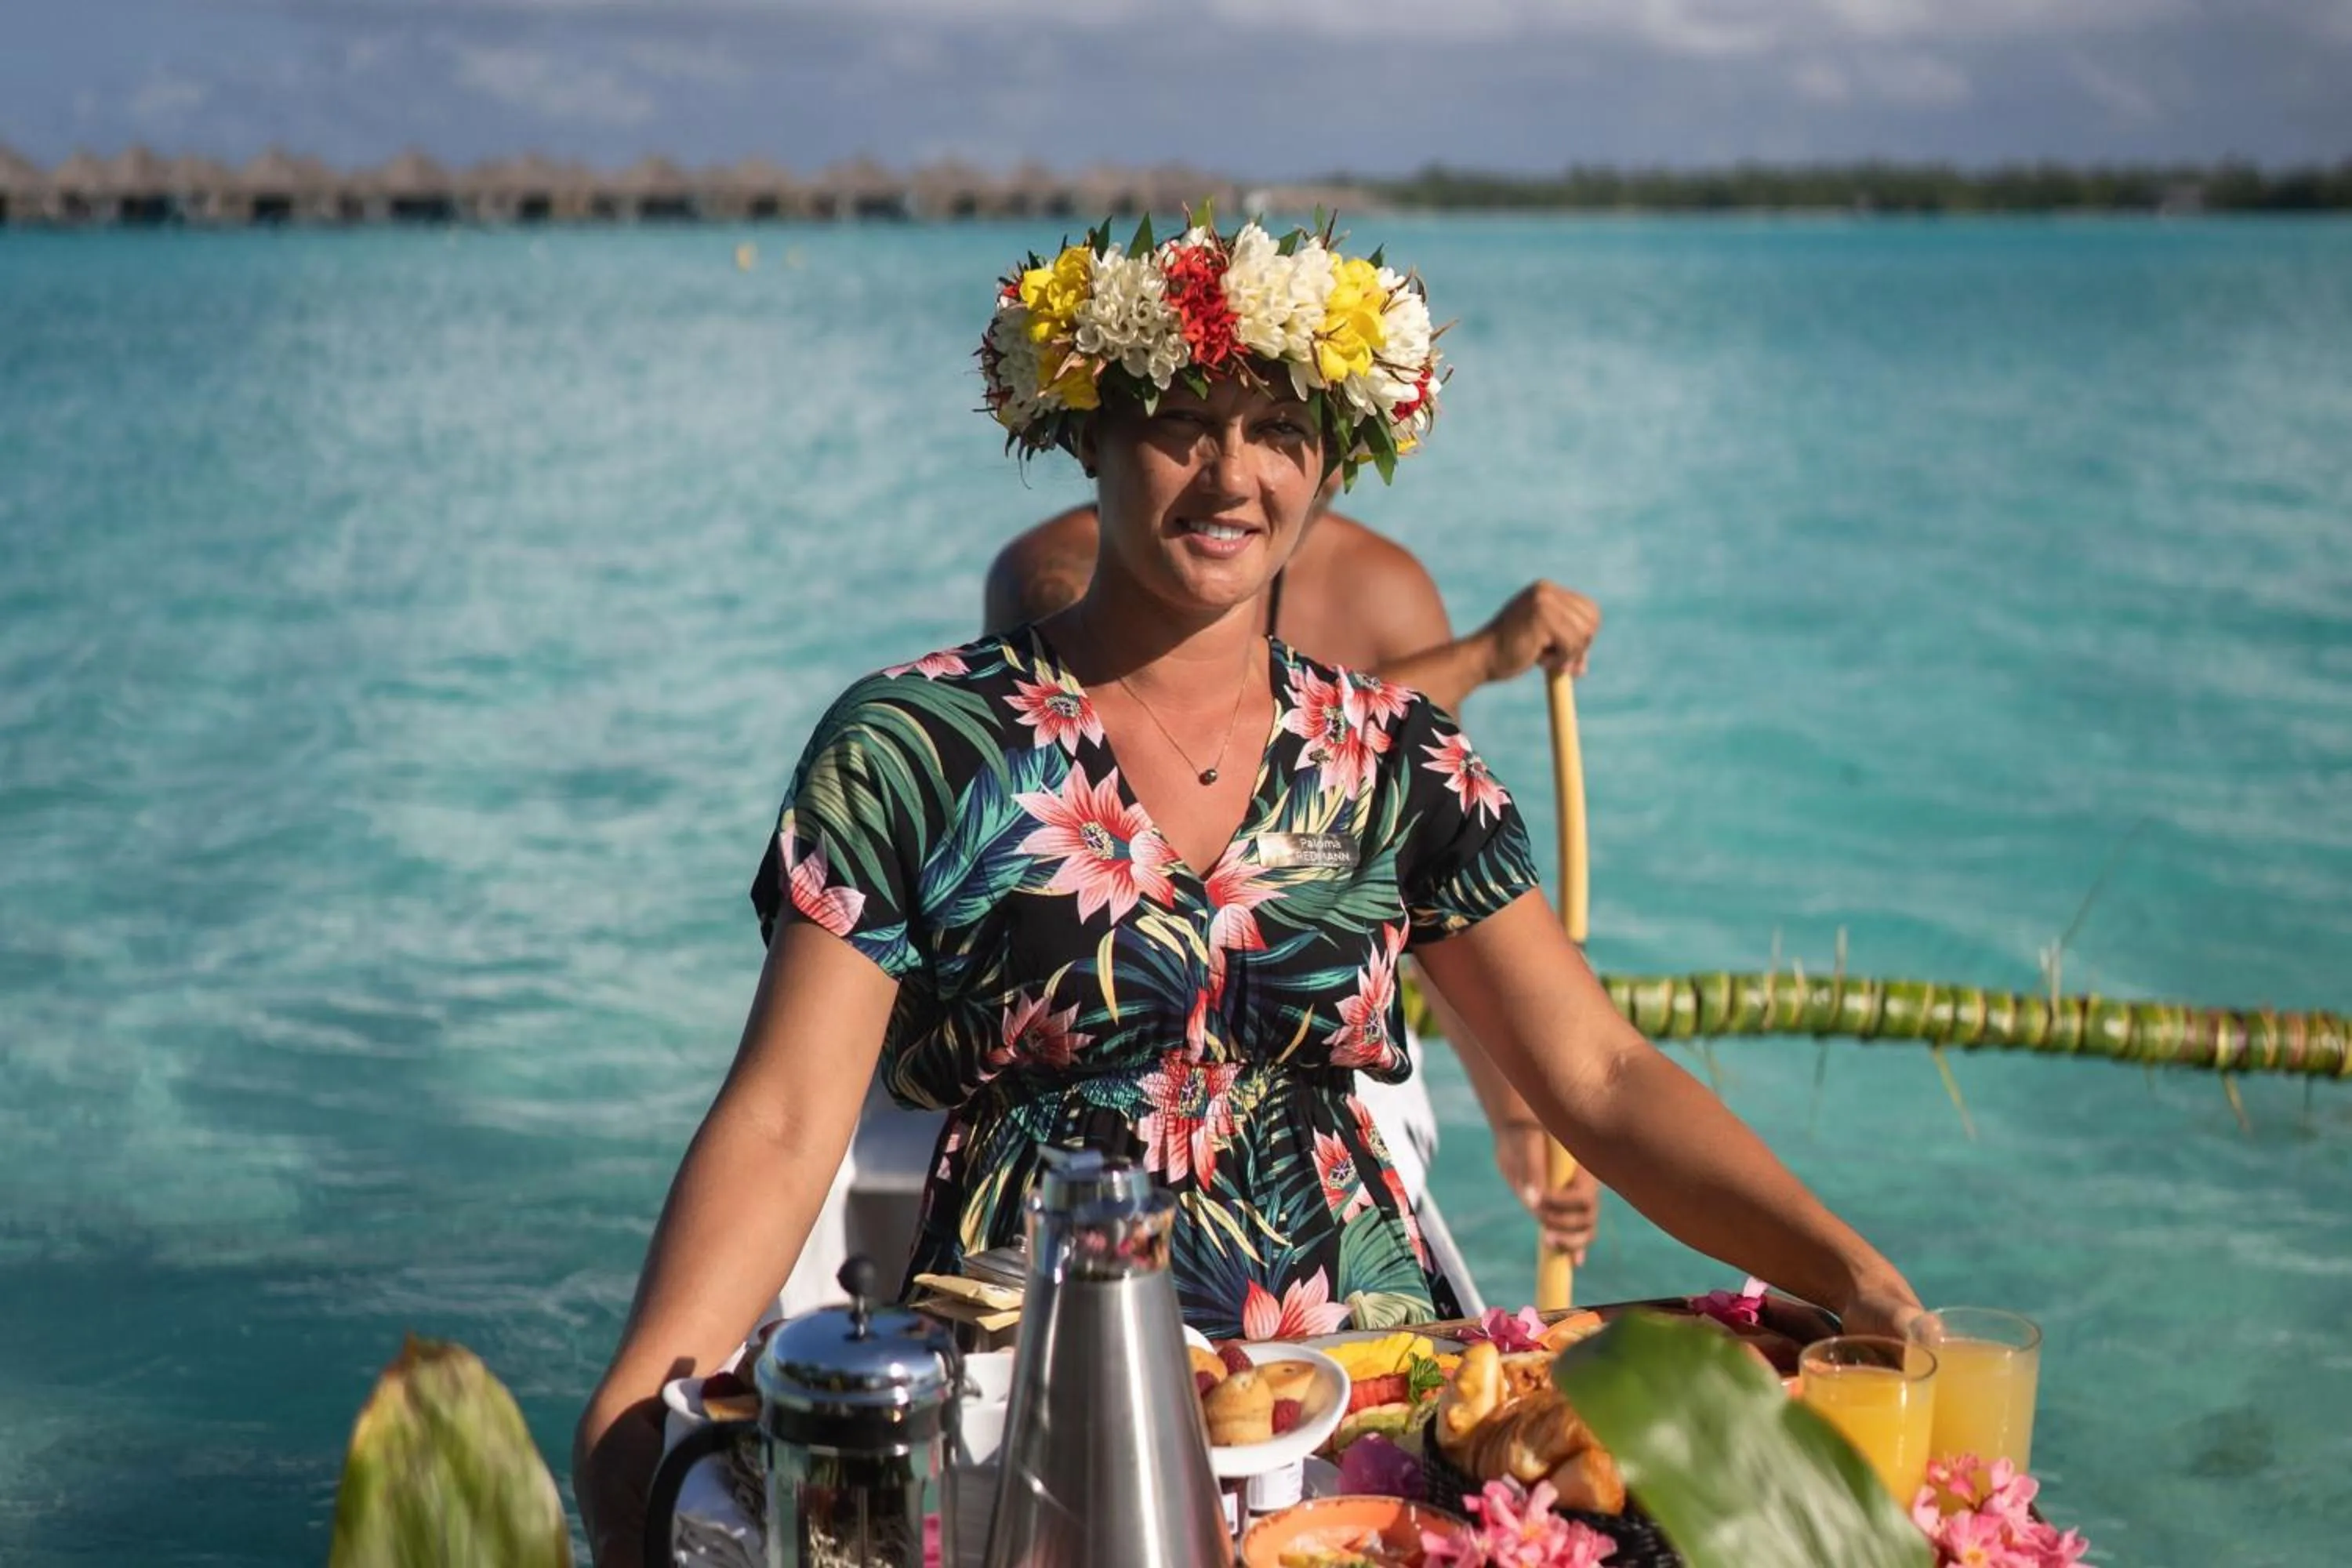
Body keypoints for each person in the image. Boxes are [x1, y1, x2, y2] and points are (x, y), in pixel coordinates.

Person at [576, 218, 1920, 1567]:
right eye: (1178, 423)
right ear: (1084, 436)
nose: (1232, 475)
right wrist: (643, 1391)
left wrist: (1848, 1272)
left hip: (1379, 1402)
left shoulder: (1403, 759)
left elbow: (1606, 1081)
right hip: (1031, 1387)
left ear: (1335, 462)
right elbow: (785, 1117)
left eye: (1279, 430)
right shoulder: (914, 746)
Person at [983, 488, 1608, 1256]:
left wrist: (1521, 1118)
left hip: (1321, 1052)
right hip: (1090, 1053)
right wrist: (1478, 657)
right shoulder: (1056, 566)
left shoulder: (1385, 586)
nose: (1241, 473)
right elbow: (1143, 744)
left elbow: (1426, 882)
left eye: (1291, 424)